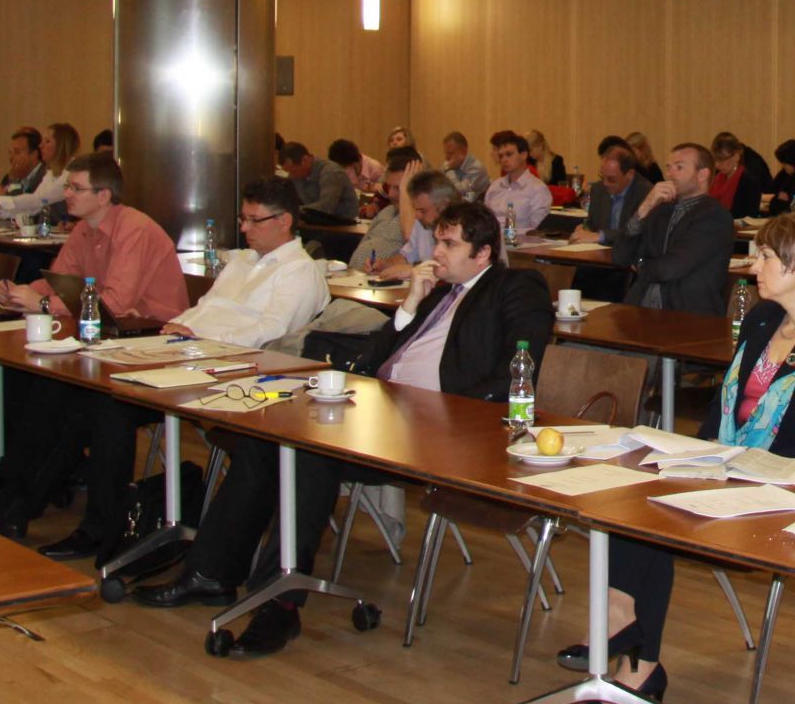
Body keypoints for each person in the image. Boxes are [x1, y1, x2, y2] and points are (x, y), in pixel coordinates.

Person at [139, 204, 550, 656]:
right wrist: (409, 303)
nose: (436, 252)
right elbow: (374, 359)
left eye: (449, 244)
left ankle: (279, 605)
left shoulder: (514, 287)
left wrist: (441, 410)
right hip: (385, 412)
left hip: (444, 431)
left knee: (309, 453)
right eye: (436, 241)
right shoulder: (436, 292)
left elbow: (516, 374)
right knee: (264, 440)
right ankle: (209, 573)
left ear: (483, 253)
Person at [580, 212, 795, 704]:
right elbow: (725, 406)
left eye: (766, 257)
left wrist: (754, 466)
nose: (753, 266)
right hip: (727, 467)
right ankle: (626, 633)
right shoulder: (760, 321)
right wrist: (695, 457)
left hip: (785, 489)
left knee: (660, 516)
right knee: (640, 497)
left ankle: (631, 646)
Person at [53, 178, 327, 563]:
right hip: (191, 353)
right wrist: (176, 327)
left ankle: (102, 529)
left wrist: (198, 335)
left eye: (254, 220)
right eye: (243, 218)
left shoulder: (299, 271)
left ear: (284, 221)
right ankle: (61, 508)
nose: (244, 228)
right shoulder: (241, 261)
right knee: (92, 393)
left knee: (111, 410)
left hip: (238, 372)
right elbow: (204, 307)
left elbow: (272, 331)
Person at [0, 154, 189, 543]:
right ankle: (15, 499)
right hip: (108, 340)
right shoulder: (85, 229)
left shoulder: (134, 230)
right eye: (67, 186)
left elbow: (115, 304)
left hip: (153, 343)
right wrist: (20, 292)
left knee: (73, 401)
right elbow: (57, 279)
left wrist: (43, 304)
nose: (66, 193)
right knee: (35, 386)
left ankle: (27, 506)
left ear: (104, 195)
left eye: (75, 188)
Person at [313, 166, 458, 342]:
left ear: (444, 205)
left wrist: (412, 269)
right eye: (416, 210)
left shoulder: (462, 230)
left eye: (423, 210)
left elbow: (455, 272)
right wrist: (386, 264)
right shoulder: (422, 224)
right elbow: (406, 255)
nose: (417, 216)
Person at [610, 143, 735, 313]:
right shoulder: (660, 209)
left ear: (702, 174)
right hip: (640, 308)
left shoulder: (714, 216)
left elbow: (669, 269)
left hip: (687, 315)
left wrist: (639, 264)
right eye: (668, 167)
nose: (669, 174)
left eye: (679, 167)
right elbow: (620, 256)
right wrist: (644, 208)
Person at [0, 123, 77, 225]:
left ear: (61, 146)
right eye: (10, 152)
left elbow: (36, 202)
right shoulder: (50, 172)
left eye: (47, 141)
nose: (41, 146)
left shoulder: (71, 173)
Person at [568, 137, 646, 245]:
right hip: (598, 253)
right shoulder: (598, 189)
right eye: (602, 176)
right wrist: (584, 229)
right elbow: (592, 224)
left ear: (630, 174)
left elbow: (635, 233)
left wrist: (601, 236)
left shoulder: (646, 193)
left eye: (611, 179)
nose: (605, 183)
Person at [483, 129, 551, 235]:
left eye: (509, 154)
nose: (504, 160)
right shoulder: (495, 186)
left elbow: (537, 230)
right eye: (501, 156)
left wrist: (505, 234)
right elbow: (485, 220)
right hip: (492, 240)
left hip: (521, 242)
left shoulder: (538, 189)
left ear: (524, 155)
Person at [281, 140, 358, 219]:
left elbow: (326, 208)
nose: (291, 175)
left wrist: (293, 210)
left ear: (305, 160)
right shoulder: (295, 177)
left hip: (344, 223)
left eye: (293, 171)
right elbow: (290, 201)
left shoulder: (331, 172)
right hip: (316, 222)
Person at [0, 126, 48, 197]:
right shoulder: (8, 178)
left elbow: (21, 202)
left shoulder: (46, 176)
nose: (11, 158)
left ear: (34, 154)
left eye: (17, 152)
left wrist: (15, 181)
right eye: (10, 153)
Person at [440, 130, 487, 201]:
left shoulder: (476, 168)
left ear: (463, 152)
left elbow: (460, 192)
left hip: (474, 204)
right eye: (445, 153)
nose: (446, 158)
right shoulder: (447, 164)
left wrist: (449, 170)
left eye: (450, 153)